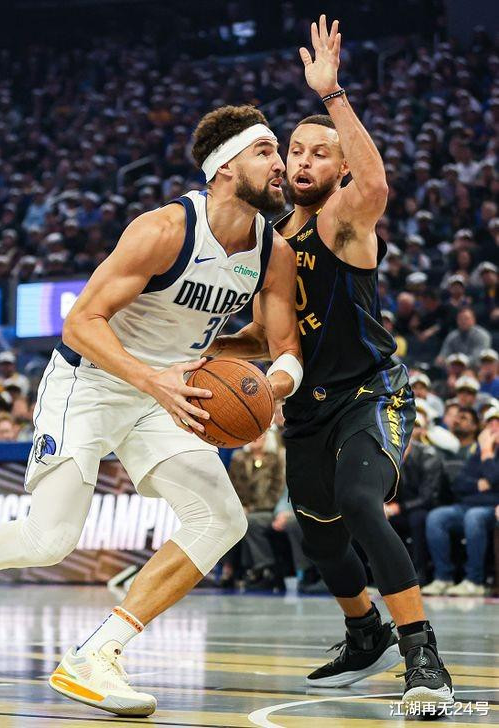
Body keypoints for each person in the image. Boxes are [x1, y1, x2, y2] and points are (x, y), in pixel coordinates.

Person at [0, 104, 302, 717]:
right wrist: (151, 378)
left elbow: (285, 348)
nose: (281, 163)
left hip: (173, 389)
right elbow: (80, 322)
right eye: (266, 151)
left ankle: (97, 653)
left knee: (221, 519)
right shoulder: (164, 230)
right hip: (91, 380)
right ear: (225, 167)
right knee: (49, 539)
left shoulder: (273, 253)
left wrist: (271, 389)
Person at [211, 16, 452, 712]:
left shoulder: (343, 219)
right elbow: (267, 335)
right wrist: (204, 349)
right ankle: (364, 630)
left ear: (339, 168)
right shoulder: (268, 242)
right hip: (307, 405)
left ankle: (422, 657)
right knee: (318, 535)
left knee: (359, 504)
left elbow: (375, 183)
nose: (305, 161)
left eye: (321, 153)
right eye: (296, 150)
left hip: (371, 393)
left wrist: (332, 95)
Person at [423, 407, 498, 596]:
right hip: (467, 505)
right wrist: (479, 483)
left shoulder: (484, 451)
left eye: (497, 423)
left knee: (474, 517)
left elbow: (494, 477)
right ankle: (443, 577)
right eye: (489, 423)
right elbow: (459, 483)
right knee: (437, 517)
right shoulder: (477, 453)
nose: (493, 427)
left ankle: (475, 580)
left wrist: (487, 452)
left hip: (491, 508)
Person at [386, 426, 445, 584]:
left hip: (427, 506)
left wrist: (400, 507)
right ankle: (386, 576)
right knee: (379, 521)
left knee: (417, 519)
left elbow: (428, 497)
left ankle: (419, 573)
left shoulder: (429, 456)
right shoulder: (388, 455)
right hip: (401, 507)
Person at [228, 432, 285, 590]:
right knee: (230, 520)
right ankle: (231, 571)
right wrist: (240, 507)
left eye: (260, 435)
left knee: (250, 521)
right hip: (243, 509)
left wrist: (251, 508)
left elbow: (277, 491)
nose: (255, 438)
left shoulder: (275, 459)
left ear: (268, 438)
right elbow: (232, 487)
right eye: (253, 434)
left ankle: (264, 567)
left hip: (268, 509)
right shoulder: (238, 458)